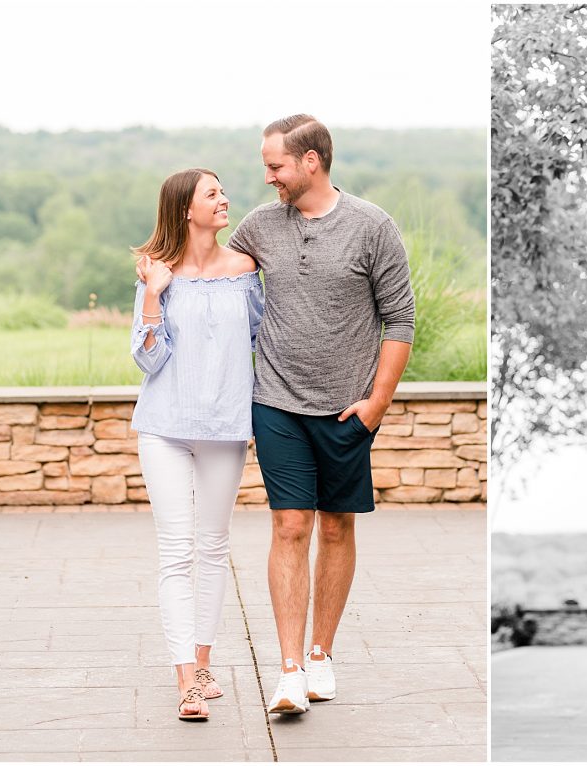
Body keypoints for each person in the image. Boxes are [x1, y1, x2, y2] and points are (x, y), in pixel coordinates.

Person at [225, 115, 415, 715]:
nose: (267, 176)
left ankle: (321, 655)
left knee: (336, 527)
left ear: (311, 161)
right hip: (275, 400)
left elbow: (401, 320)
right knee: (289, 527)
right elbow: (214, 275)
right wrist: (158, 271)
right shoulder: (258, 226)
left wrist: (374, 406)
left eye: (275, 165)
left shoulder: (371, 226)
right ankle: (287, 672)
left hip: (346, 412)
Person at [130, 168, 263, 721]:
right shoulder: (156, 276)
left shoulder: (245, 271)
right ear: (186, 208)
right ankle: (185, 678)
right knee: (176, 550)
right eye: (212, 193)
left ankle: (204, 665)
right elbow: (147, 357)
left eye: (223, 191)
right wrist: (156, 297)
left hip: (226, 427)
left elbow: (263, 337)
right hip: (164, 425)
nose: (224, 199)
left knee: (212, 549)